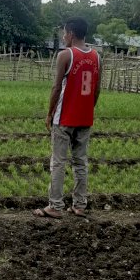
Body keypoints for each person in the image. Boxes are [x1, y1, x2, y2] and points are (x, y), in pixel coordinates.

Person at [34, 17, 101, 219]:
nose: (63, 37)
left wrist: (49, 112)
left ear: (71, 33)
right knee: (81, 162)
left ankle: (55, 205)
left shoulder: (66, 55)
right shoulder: (97, 56)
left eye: (64, 33)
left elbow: (56, 88)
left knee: (59, 162)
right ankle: (79, 205)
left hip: (64, 118)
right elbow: (97, 89)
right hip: (85, 117)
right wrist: (88, 108)